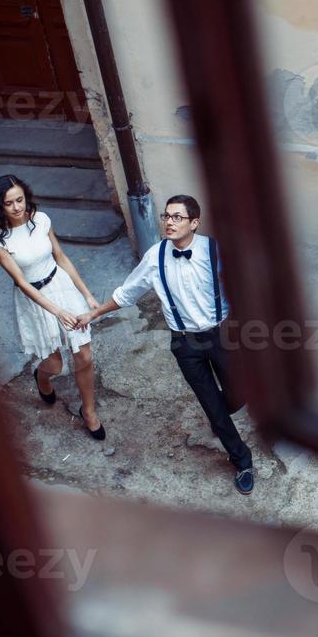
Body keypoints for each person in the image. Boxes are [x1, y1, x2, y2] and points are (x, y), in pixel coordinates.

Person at [77, 195, 253, 494]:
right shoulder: (155, 257)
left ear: (194, 223)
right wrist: (92, 313)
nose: (169, 222)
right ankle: (242, 460)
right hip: (185, 344)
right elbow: (126, 294)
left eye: (177, 217)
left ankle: (221, 415)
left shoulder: (214, 250)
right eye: (166, 216)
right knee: (212, 406)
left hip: (220, 335)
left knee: (239, 395)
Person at [0, 174, 106, 440]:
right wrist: (57, 311)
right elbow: (21, 283)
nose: (17, 207)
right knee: (55, 364)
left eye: (20, 199)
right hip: (34, 299)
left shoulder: (41, 219)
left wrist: (86, 294)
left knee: (83, 355)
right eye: (9, 203)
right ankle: (41, 379)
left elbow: (60, 256)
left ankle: (88, 411)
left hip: (60, 285)